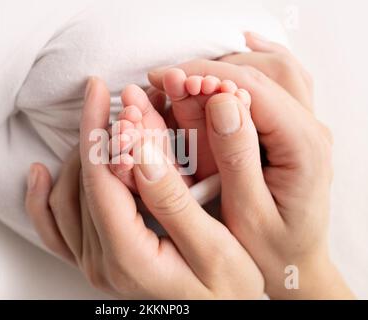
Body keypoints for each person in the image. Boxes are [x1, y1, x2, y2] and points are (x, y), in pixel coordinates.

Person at [25, 34, 354, 299]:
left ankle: (181, 167)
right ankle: (188, 166)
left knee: (152, 182)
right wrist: (304, 271)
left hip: (168, 239)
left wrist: (302, 269)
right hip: (189, 223)